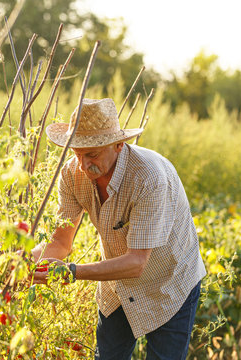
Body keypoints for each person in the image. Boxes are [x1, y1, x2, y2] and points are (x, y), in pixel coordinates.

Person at [31, 98, 206, 360]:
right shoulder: (71, 174)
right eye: (77, 153)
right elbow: (60, 240)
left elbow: (136, 263)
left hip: (169, 282)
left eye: (92, 154)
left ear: (118, 145)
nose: (82, 164)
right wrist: (27, 261)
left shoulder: (148, 177)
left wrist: (71, 272)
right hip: (117, 288)